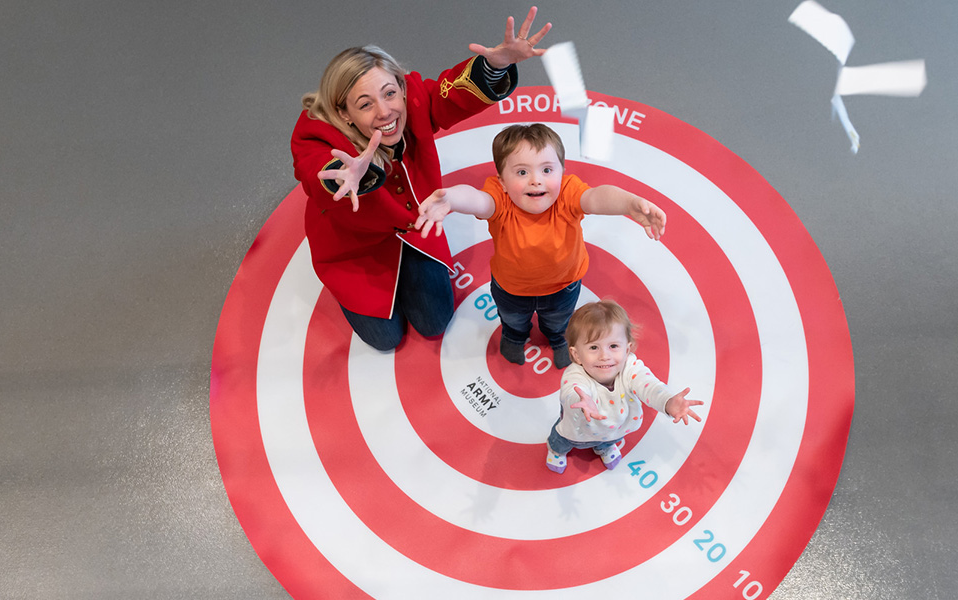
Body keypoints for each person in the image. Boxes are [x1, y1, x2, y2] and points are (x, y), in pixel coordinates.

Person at [290, 8, 552, 351]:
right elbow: (316, 171)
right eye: (365, 104)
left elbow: (450, 95)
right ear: (344, 113)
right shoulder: (315, 135)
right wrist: (349, 177)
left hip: (416, 230)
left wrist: (495, 66)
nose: (385, 112)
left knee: (434, 323)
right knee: (386, 340)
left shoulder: (412, 99)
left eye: (389, 93)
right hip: (354, 252)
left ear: (400, 87)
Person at [414, 124, 667, 368]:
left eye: (547, 170)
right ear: (501, 181)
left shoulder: (568, 194)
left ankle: (558, 338)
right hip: (510, 289)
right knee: (512, 320)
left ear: (562, 171)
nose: (536, 181)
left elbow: (597, 197)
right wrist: (452, 199)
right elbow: (476, 199)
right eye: (522, 172)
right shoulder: (499, 200)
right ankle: (514, 336)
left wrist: (629, 203)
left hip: (563, 287)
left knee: (559, 321)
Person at [542, 300, 703, 473]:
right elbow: (572, 390)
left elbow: (648, 385)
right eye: (594, 347)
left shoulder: (630, 368)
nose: (605, 356)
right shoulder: (575, 373)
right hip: (577, 429)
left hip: (616, 429)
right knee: (561, 440)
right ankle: (556, 450)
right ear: (577, 355)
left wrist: (667, 402)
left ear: (627, 350)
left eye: (613, 346)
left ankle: (605, 447)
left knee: (609, 440)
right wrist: (583, 400)